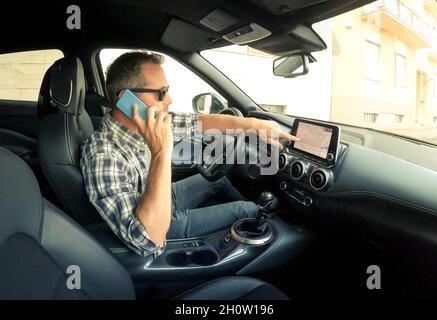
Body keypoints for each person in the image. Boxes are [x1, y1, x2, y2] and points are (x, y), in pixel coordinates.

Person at [80, 51, 298, 258]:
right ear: (126, 100)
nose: (169, 100)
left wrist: (253, 125)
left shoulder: (147, 123)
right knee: (248, 208)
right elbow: (147, 238)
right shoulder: (103, 155)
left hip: (163, 196)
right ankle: (266, 224)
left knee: (219, 179)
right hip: (158, 220)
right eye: (161, 93)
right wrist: (161, 151)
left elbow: (198, 123)